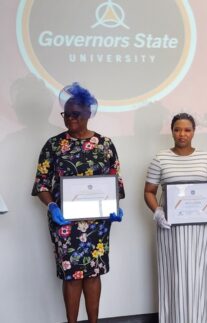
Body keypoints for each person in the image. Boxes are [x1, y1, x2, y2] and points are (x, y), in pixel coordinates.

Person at [32, 83, 125, 323]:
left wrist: (114, 207)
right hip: (64, 221)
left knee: (93, 273)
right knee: (71, 275)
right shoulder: (53, 145)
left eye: (76, 114)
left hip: (97, 222)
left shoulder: (105, 144)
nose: (70, 119)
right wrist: (52, 207)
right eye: (67, 114)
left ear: (88, 113)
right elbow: (42, 183)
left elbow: (115, 180)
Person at [144, 113, 207, 323]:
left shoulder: (205, 158)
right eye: (177, 129)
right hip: (170, 229)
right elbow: (149, 191)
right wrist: (158, 212)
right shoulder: (160, 158)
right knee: (174, 277)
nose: (182, 134)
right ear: (171, 131)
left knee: (198, 277)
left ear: (193, 132)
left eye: (187, 130)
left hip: (200, 230)